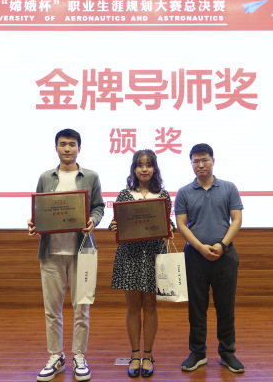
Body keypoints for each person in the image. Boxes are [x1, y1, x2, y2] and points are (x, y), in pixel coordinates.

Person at [28, 129, 104, 382]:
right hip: (51, 252)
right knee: (52, 309)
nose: (68, 148)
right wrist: (34, 223)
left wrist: (93, 220)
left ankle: (79, 356)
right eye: (63, 144)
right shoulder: (45, 177)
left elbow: (99, 206)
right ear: (56, 148)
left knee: (82, 308)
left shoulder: (91, 177)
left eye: (72, 144)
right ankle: (56, 356)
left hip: (83, 252)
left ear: (79, 148)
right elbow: (39, 209)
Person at [174, 143, 245, 374]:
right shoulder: (184, 192)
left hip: (226, 256)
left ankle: (227, 352)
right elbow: (181, 225)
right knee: (197, 307)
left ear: (213, 161)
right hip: (195, 257)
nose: (201, 164)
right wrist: (200, 247)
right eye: (196, 161)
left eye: (205, 160)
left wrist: (222, 245)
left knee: (226, 307)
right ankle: (197, 353)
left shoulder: (229, 188)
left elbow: (236, 219)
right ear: (191, 164)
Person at [109, 149, 175, 378]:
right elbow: (115, 223)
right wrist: (114, 226)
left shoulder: (163, 195)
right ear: (134, 169)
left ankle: (148, 355)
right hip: (130, 256)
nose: (144, 169)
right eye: (140, 165)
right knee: (132, 307)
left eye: (148, 165)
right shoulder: (125, 194)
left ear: (154, 168)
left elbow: (168, 223)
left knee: (150, 306)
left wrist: (170, 228)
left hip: (154, 255)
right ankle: (135, 354)